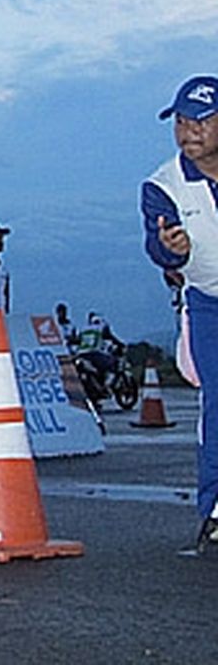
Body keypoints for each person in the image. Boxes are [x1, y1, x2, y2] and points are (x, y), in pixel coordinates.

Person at [140, 74, 218, 554]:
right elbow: (156, 244)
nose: (189, 131)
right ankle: (214, 512)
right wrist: (173, 251)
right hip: (210, 300)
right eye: (181, 121)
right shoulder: (162, 185)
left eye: (202, 121)